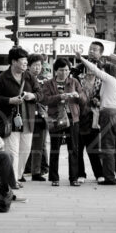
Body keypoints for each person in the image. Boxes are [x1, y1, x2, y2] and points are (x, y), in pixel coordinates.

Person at [0, 47, 42, 189]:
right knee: (12, 152)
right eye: (23, 61)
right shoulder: (2, 78)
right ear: (14, 61)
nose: (26, 63)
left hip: (28, 120)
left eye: (26, 61)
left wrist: (33, 96)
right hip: (9, 120)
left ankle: (17, 177)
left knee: (25, 150)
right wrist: (9, 101)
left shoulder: (29, 77)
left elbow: (40, 93)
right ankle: (11, 181)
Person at [76, 51, 116, 185]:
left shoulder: (109, 79)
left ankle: (109, 178)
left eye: (102, 69)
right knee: (115, 148)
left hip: (108, 115)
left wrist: (80, 58)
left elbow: (94, 69)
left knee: (107, 147)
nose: (100, 71)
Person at [42, 58, 86, 186]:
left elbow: (84, 99)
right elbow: (45, 100)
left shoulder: (74, 81)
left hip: (73, 118)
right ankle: (54, 178)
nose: (65, 72)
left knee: (73, 148)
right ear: (56, 71)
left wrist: (78, 96)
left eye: (67, 70)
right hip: (56, 118)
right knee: (55, 148)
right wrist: (60, 97)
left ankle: (74, 178)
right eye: (61, 70)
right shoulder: (49, 84)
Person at [77, 61, 104, 183]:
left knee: (93, 148)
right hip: (79, 116)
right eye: (88, 67)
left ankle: (99, 174)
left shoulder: (101, 81)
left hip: (93, 117)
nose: (90, 70)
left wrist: (97, 100)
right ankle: (80, 174)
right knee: (78, 149)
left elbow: (103, 96)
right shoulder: (78, 79)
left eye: (93, 67)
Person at [25, 54, 50, 181]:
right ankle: (24, 170)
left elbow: (45, 98)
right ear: (28, 66)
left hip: (40, 115)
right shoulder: (24, 79)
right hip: (27, 115)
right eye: (35, 65)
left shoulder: (44, 80)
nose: (37, 68)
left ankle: (37, 171)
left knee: (39, 145)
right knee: (25, 145)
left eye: (39, 65)